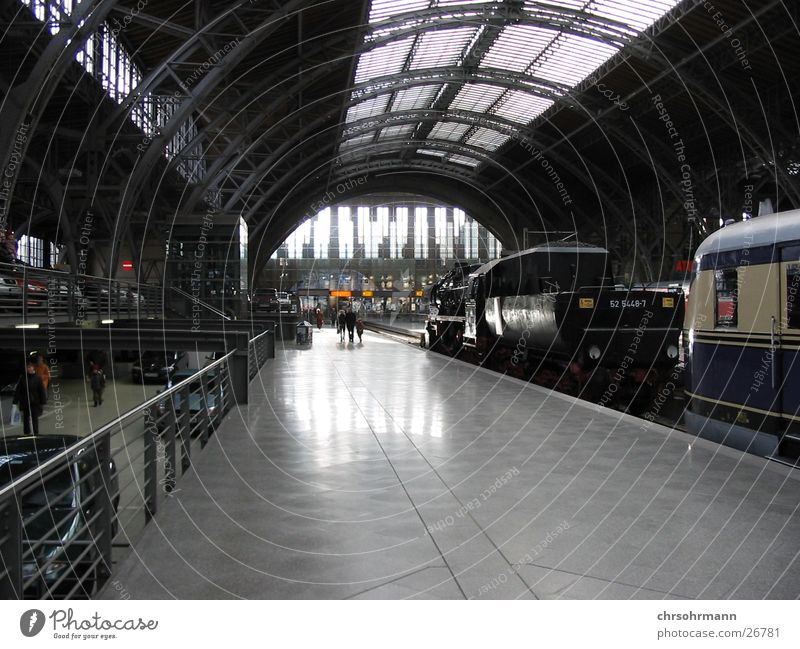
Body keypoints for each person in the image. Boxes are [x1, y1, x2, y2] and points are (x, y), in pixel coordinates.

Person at [12, 360, 47, 436]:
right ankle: (26, 433)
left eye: (30, 367)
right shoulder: (23, 378)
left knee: (35, 419)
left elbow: (41, 390)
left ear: (33, 367)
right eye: (27, 368)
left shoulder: (38, 378)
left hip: (35, 402)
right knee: (25, 419)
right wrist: (15, 401)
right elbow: (18, 390)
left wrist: (43, 401)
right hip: (25, 402)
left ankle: (36, 433)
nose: (29, 369)